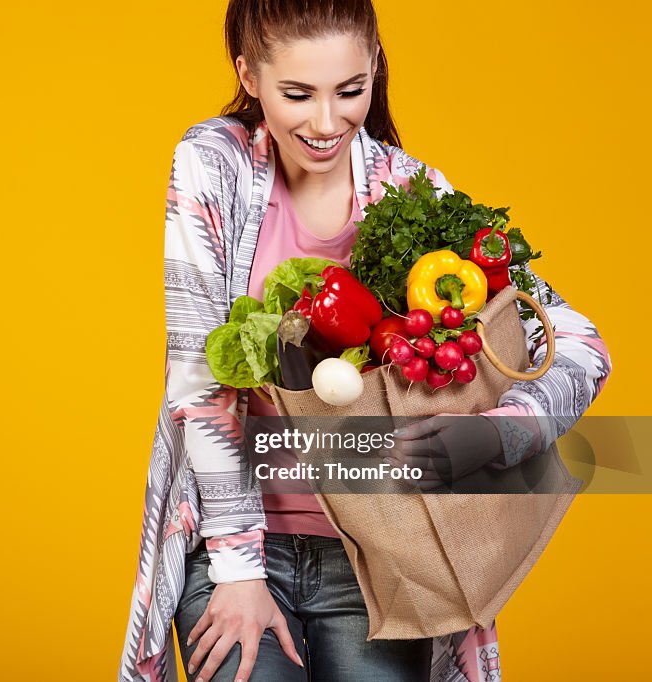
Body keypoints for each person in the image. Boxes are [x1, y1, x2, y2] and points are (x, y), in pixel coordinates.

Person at [120, 1, 612, 681]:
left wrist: (506, 434)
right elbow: (198, 378)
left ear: (375, 67)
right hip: (234, 547)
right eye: (298, 94)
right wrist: (236, 570)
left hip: (382, 561)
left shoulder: (413, 193)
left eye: (351, 91)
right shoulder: (215, 166)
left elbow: (582, 344)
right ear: (249, 75)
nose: (326, 123)